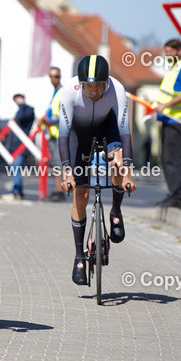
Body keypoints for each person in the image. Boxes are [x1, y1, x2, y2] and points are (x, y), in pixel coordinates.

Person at [58, 55, 136, 285]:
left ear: (106, 83)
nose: (92, 91)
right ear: (80, 84)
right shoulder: (69, 91)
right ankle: (79, 256)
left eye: (98, 86)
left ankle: (115, 211)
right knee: (80, 195)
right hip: (78, 136)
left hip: (107, 129)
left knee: (118, 161)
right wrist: (67, 173)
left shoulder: (117, 89)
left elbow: (125, 132)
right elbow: (63, 137)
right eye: (87, 86)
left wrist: (128, 173)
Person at [152, 38, 181, 208]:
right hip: (169, 120)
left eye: (170, 52)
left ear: (179, 51)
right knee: (167, 159)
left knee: (173, 160)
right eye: (166, 52)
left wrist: (165, 106)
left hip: (178, 121)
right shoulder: (173, 69)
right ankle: (172, 194)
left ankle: (175, 197)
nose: (168, 55)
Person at [37, 66, 64, 200]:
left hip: (59, 133)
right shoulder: (55, 93)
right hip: (53, 133)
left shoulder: (62, 92)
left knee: (59, 164)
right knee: (55, 163)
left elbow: (63, 115)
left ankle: (60, 191)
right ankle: (57, 189)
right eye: (51, 76)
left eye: (56, 76)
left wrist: (48, 122)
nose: (53, 79)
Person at [4, 93, 35, 200]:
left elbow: (22, 118)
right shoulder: (20, 111)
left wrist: (22, 105)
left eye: (19, 99)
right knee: (14, 168)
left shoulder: (29, 110)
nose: (17, 101)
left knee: (16, 168)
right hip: (14, 146)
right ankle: (19, 192)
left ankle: (16, 192)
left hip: (21, 146)